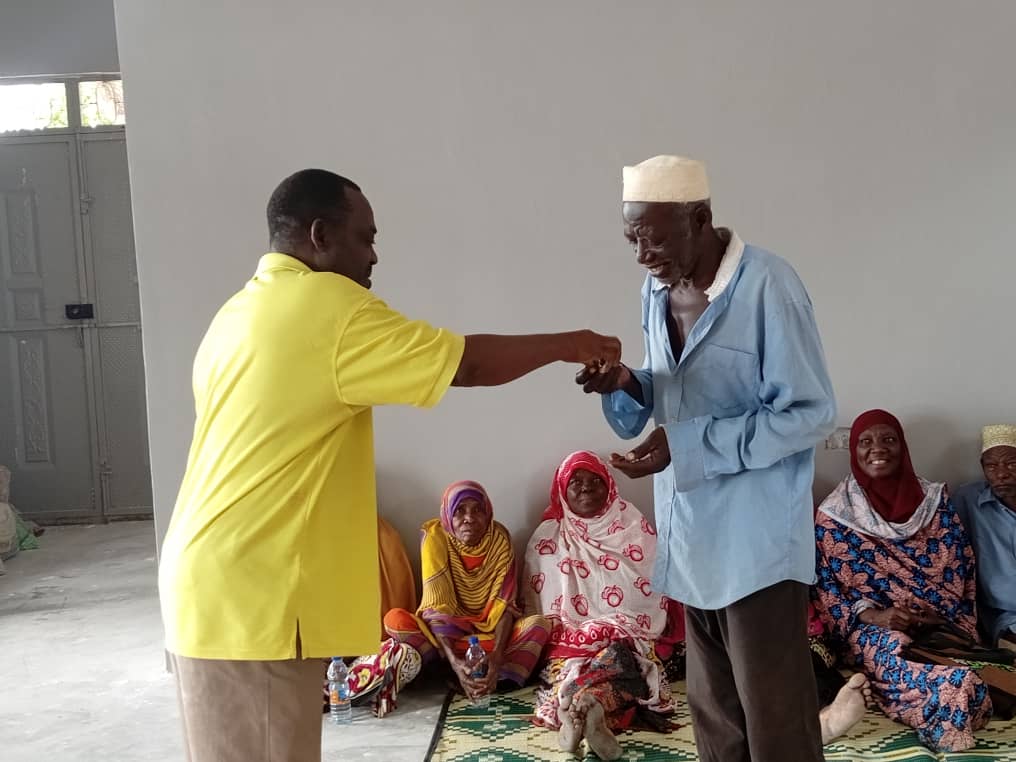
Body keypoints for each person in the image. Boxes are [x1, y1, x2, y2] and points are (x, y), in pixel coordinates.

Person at [158, 169, 621, 762]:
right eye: (364, 237)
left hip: (215, 584)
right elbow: (465, 362)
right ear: (321, 235)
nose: (374, 255)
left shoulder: (238, 312)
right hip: (253, 594)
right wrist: (569, 342)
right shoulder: (328, 306)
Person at [577, 155, 835, 762]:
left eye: (655, 237)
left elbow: (808, 413)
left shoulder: (771, 286)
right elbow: (670, 391)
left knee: (776, 721)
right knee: (715, 715)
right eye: (631, 238)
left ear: (700, 218)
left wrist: (690, 445)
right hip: (691, 534)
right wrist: (624, 383)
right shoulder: (656, 287)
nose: (642, 254)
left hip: (757, 542)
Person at [813, 409, 991, 751]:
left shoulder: (935, 504)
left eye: (888, 440)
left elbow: (960, 568)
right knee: (893, 650)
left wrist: (933, 615)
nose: (877, 449)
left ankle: (954, 695)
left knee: (951, 657)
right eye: (865, 441)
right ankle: (955, 693)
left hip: (941, 623)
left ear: (903, 447)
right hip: (873, 628)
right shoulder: (835, 515)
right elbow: (828, 590)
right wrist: (877, 617)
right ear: (853, 450)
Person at [524, 451, 681, 761]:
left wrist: (610, 628)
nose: (585, 488)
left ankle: (578, 711)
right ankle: (592, 710)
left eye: (595, 480)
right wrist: (588, 635)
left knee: (624, 661)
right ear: (561, 491)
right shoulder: (547, 538)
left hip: (626, 638)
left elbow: (651, 593)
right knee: (614, 673)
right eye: (576, 482)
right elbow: (540, 611)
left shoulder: (632, 526)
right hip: (567, 646)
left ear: (609, 486)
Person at [383, 480, 551, 699]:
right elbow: (436, 607)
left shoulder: (499, 538)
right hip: (444, 637)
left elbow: (505, 607)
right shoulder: (435, 537)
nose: (469, 519)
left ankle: (490, 675)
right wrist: (454, 660)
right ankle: (454, 672)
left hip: (489, 637)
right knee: (394, 620)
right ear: (448, 516)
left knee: (539, 624)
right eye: (459, 511)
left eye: (478, 510)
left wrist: (497, 655)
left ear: (488, 513)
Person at [953, 424, 1016, 649]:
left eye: (1011, 464)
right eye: (991, 466)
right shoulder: (968, 500)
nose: (1001, 474)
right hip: (1005, 617)